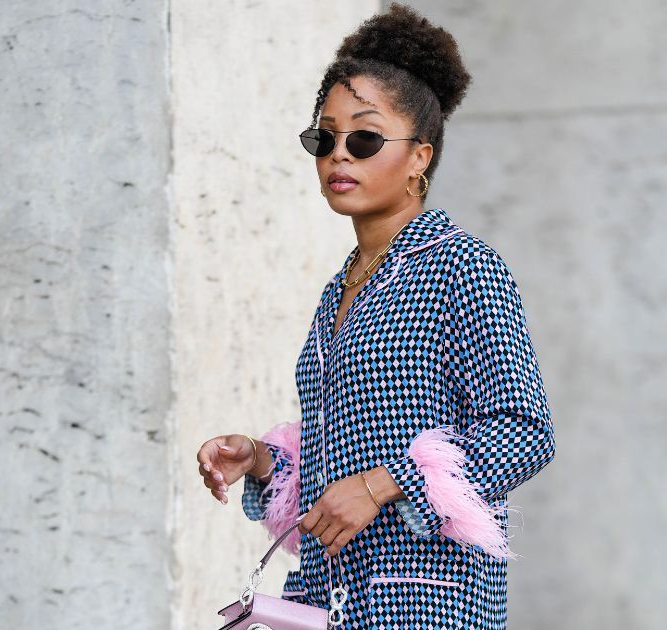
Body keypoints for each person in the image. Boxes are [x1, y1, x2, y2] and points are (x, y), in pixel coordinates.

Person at [196, 4, 555, 627]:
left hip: (426, 601)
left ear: (420, 156)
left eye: (363, 138)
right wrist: (259, 458)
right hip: (328, 601)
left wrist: (383, 486)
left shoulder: (461, 267)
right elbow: (351, 454)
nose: (339, 155)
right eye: (324, 138)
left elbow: (525, 430)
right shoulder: (342, 288)